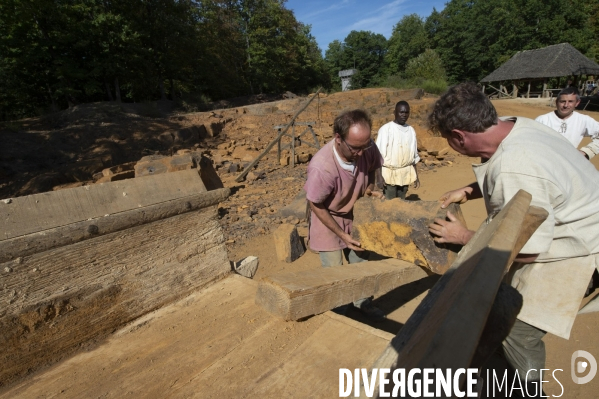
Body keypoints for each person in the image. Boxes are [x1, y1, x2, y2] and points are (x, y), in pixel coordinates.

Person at [427, 82, 599, 395]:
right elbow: (518, 173)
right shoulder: (515, 125)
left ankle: (528, 390)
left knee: (517, 329)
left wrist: (464, 236)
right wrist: (469, 189)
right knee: (499, 314)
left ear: (457, 137)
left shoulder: (516, 165)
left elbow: (527, 249)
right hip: (581, 221)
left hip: (578, 247)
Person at [304, 109, 386, 322]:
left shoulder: (365, 146)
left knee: (361, 264)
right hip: (327, 217)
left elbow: (372, 167)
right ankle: (340, 313)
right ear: (338, 138)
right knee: (335, 273)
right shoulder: (322, 168)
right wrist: (341, 233)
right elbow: (316, 204)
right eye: (355, 148)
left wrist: (369, 189)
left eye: (366, 145)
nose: (361, 152)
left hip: (356, 212)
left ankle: (362, 302)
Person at [535, 86, 599, 160]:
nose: (566, 105)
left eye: (570, 101)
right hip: (544, 161)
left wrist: (588, 151)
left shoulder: (583, 120)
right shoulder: (542, 120)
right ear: (556, 102)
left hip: (569, 163)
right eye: (562, 101)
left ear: (577, 103)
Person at [375, 101, 420, 200]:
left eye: (406, 112)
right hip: (389, 174)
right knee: (390, 203)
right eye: (401, 112)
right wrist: (379, 177)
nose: (404, 115)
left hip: (405, 173)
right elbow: (377, 156)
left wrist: (416, 176)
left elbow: (414, 156)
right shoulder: (386, 129)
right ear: (394, 112)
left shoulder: (411, 130)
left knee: (401, 201)